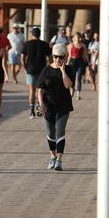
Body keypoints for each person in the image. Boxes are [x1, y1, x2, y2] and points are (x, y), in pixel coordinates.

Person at [37, 43, 74, 171]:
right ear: (52, 56)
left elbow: (68, 85)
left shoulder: (69, 69)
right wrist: (41, 104)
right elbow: (40, 90)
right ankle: (52, 156)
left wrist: (63, 71)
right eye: (56, 57)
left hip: (63, 106)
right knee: (50, 133)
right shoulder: (46, 70)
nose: (58, 60)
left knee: (60, 131)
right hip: (48, 106)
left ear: (65, 57)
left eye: (61, 57)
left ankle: (59, 159)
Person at [21, 27, 52, 118]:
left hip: (30, 70)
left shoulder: (27, 44)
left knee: (32, 91)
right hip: (42, 71)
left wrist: (25, 68)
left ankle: (31, 111)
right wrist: (49, 67)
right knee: (41, 90)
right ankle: (39, 109)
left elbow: (22, 58)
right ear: (40, 34)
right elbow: (50, 57)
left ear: (32, 34)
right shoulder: (45, 44)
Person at [67, 33, 89, 100]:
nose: (78, 39)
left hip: (80, 62)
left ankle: (78, 94)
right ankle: (72, 90)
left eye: (79, 37)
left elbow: (84, 55)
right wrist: (67, 63)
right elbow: (69, 55)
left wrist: (88, 63)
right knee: (72, 77)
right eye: (76, 37)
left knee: (79, 77)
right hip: (73, 62)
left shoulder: (83, 46)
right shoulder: (71, 45)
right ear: (73, 38)